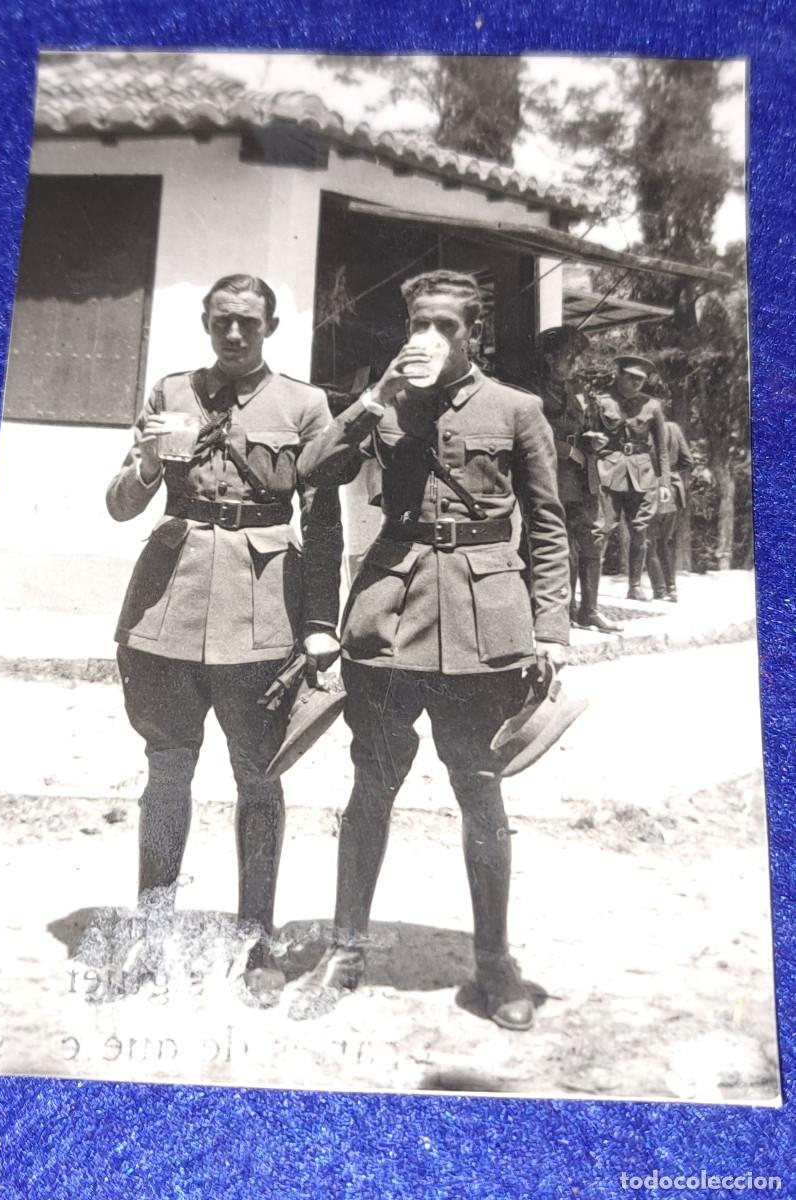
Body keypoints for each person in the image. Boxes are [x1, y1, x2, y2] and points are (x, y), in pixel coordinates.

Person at [297, 270, 570, 1031]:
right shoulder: (387, 401)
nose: (431, 338)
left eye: (447, 326)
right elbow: (313, 471)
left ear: (473, 333)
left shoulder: (518, 409)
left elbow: (549, 527)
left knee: (480, 789)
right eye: (421, 324)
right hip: (390, 614)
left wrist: (551, 630)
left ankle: (493, 962)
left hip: (484, 623)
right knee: (372, 785)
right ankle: (346, 950)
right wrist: (375, 398)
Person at [106, 274, 342, 1003]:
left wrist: (319, 624)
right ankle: (150, 935)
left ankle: (258, 942)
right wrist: (149, 464)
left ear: (270, 326)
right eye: (221, 322)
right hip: (165, 609)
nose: (234, 334)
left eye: (248, 322)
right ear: (206, 323)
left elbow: (324, 525)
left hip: (262, 612)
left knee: (259, 777)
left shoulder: (304, 405)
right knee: (166, 773)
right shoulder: (172, 392)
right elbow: (119, 504)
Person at [533, 326, 621, 633]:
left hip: (584, 475)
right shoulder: (535, 392)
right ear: (549, 358)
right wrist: (569, 450)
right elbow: (534, 434)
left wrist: (591, 439)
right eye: (568, 357)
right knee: (562, 546)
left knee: (592, 541)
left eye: (576, 357)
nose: (574, 363)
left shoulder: (577, 390)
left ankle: (590, 610)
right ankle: (565, 611)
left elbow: (584, 426)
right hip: (554, 476)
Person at [596, 355, 671, 601]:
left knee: (639, 530)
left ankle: (635, 586)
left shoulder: (652, 406)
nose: (637, 383)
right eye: (631, 377)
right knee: (603, 529)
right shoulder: (602, 402)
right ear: (618, 375)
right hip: (609, 472)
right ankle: (591, 589)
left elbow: (662, 449)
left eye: (641, 379)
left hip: (643, 475)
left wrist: (665, 482)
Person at [646, 417, 694, 601]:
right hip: (674, 490)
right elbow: (688, 460)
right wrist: (672, 470)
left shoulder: (644, 432)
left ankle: (659, 590)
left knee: (649, 542)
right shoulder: (673, 428)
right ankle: (671, 588)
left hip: (652, 488)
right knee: (665, 542)